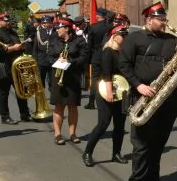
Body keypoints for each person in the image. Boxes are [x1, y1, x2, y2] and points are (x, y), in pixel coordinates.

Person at [119, 1, 177, 181]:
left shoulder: (170, 39)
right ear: (149, 19)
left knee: (159, 141)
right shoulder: (134, 39)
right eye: (161, 20)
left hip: (168, 98)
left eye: (165, 19)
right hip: (144, 94)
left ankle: (153, 178)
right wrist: (138, 85)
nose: (165, 23)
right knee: (141, 143)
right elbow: (123, 64)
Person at [81, 25, 131, 167]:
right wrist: (109, 92)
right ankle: (88, 152)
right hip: (106, 90)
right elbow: (106, 74)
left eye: (126, 35)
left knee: (120, 125)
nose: (125, 37)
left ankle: (116, 153)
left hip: (122, 91)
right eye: (122, 34)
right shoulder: (108, 52)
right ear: (114, 36)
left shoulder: (125, 53)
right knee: (103, 124)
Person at [48, 18, 88, 145]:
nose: (56, 30)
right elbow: (48, 56)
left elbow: (84, 57)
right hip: (57, 76)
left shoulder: (79, 40)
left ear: (66, 28)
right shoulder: (54, 40)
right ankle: (58, 134)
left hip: (73, 77)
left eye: (59, 27)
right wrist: (57, 60)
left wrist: (70, 61)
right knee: (59, 105)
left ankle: (72, 134)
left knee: (72, 106)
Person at [0, 13, 32, 124]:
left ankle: (24, 114)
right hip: (5, 66)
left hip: (16, 65)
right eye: (5, 20)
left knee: (21, 90)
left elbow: (18, 44)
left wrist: (22, 46)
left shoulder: (13, 32)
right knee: (4, 92)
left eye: (8, 20)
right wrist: (14, 48)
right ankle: (5, 116)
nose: (8, 22)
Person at [83, 9, 112, 110]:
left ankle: (91, 102)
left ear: (98, 16)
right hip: (108, 54)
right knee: (106, 77)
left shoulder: (93, 27)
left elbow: (89, 45)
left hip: (96, 55)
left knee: (95, 78)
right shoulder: (110, 27)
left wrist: (88, 59)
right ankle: (106, 98)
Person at [33, 15, 54, 90]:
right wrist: (35, 59)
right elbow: (35, 47)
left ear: (51, 23)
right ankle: (42, 96)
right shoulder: (38, 32)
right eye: (43, 23)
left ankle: (52, 95)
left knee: (52, 79)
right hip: (42, 59)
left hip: (53, 59)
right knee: (41, 79)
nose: (44, 24)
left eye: (46, 23)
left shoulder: (56, 31)